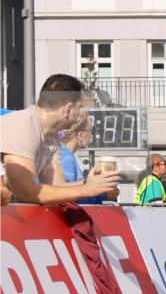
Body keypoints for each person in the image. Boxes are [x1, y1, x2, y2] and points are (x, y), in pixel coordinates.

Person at [0, 74, 119, 204]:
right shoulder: (21, 125)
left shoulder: (51, 137)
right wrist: (88, 189)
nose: (80, 113)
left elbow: (56, 187)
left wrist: (89, 183)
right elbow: (25, 193)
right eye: (79, 107)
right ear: (68, 109)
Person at [55, 113, 117, 205]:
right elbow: (66, 196)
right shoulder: (65, 157)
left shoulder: (65, 154)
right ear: (80, 135)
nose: (92, 135)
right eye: (92, 130)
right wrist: (103, 195)